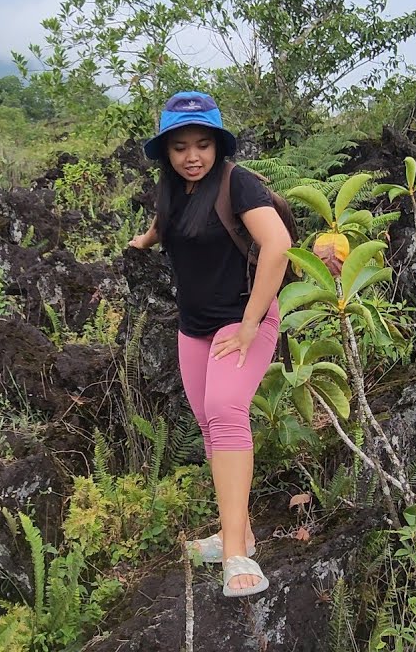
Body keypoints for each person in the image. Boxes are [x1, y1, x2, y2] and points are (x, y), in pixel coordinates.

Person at [128, 91, 290, 598]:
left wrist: (248, 324)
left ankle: (239, 552)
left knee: (225, 410)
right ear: (167, 153)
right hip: (193, 326)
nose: (192, 156)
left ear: (218, 144)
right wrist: (140, 244)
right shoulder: (173, 189)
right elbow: (164, 225)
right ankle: (233, 531)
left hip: (242, 322)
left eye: (202, 144)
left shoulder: (237, 183)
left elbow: (278, 243)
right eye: (180, 147)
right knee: (207, 422)